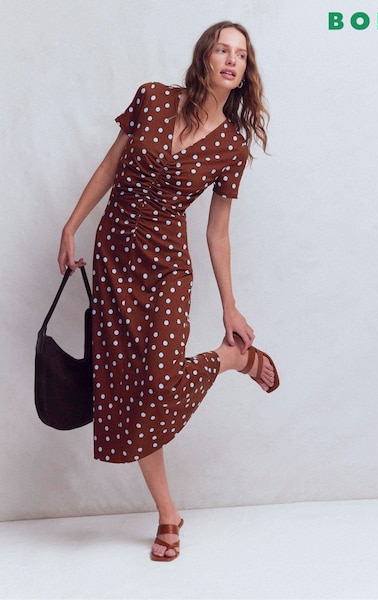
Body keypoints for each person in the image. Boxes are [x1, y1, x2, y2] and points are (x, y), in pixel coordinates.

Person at [57, 21, 279, 562]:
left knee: (156, 383)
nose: (231, 60)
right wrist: (72, 224)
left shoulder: (232, 146)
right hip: (115, 258)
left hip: (167, 269)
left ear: (244, 74)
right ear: (205, 57)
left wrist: (229, 305)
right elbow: (111, 165)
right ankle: (168, 514)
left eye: (241, 56)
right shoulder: (153, 98)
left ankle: (231, 359)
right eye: (223, 49)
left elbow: (217, 232)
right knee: (133, 393)